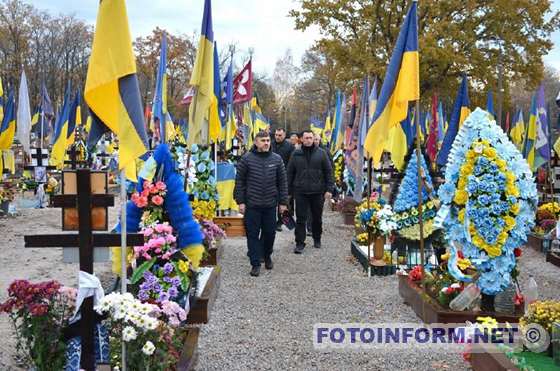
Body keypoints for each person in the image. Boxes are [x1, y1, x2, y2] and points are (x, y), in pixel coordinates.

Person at [234, 131, 289, 277]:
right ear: (256, 142)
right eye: (263, 140)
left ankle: (267, 255)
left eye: (268, 140)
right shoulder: (246, 159)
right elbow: (239, 181)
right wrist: (240, 201)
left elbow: (282, 182)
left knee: (270, 233)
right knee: (252, 235)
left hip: (270, 204)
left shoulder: (277, 159)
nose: (266, 143)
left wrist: (283, 202)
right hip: (252, 204)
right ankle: (255, 263)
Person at [287, 130, 334, 253]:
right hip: (301, 192)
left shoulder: (322, 153)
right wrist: (288, 191)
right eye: (306, 138)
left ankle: (317, 238)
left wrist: (329, 189)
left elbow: (328, 172)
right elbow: (290, 173)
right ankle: (299, 242)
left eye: (310, 138)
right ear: (301, 139)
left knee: (317, 218)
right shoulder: (296, 154)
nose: (308, 140)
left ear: (314, 139)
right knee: (301, 219)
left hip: (317, 192)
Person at [271, 128, 294, 231]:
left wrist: (289, 177)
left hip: (284, 177)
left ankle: (281, 221)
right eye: (276, 135)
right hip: (271, 176)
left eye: (280, 135)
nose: (278, 137)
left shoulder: (290, 147)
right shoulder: (271, 145)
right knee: (272, 200)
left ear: (284, 135)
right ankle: (272, 221)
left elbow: (292, 163)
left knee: (284, 201)